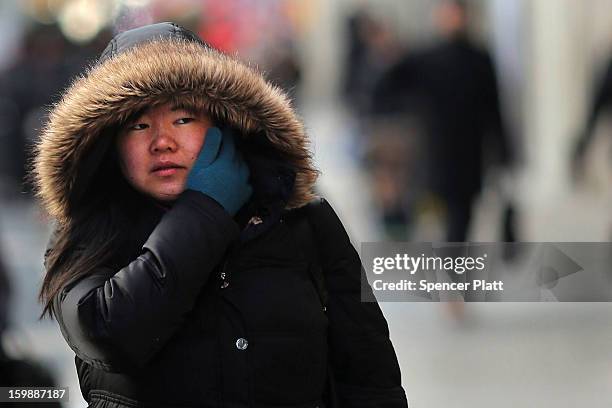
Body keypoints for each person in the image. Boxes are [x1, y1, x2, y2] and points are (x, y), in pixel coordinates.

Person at [30, 22, 408, 408]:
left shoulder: (299, 218)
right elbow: (106, 333)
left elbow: (368, 373)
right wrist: (205, 208)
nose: (162, 142)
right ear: (108, 142)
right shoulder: (85, 232)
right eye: (139, 125)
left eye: (183, 120)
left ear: (223, 124)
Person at [372, 0, 512, 242]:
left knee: (461, 216)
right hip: (436, 151)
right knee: (442, 213)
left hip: (470, 151)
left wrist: (503, 151)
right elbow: (387, 85)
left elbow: (494, 107)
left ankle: (456, 269)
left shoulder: (479, 58)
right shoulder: (427, 57)